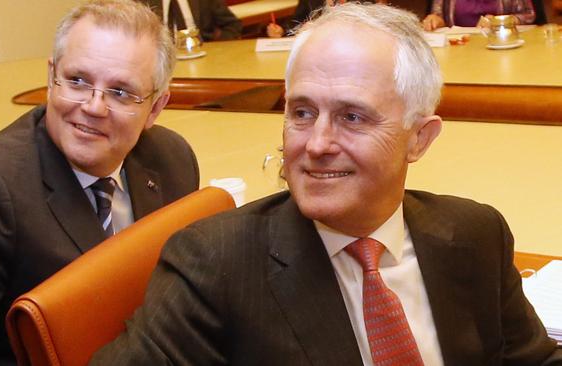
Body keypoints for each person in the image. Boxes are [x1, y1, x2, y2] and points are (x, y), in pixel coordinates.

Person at [91, 3, 562, 365]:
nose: (315, 144)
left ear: (419, 138)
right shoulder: (214, 266)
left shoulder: (475, 234)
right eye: (301, 113)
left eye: (352, 117)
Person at [0, 0, 199, 365]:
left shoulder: (172, 160)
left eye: (121, 92)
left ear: (155, 108)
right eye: (78, 81)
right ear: (51, 78)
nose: (94, 107)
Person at [143, 0, 242, 41]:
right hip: (161, 65)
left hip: (203, 57)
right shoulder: (141, 3)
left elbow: (233, 25)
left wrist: (218, 48)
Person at [423, 0, 535, 30]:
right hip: (460, 49)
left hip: (501, 46)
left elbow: (529, 15)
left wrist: (500, 21)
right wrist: (436, 20)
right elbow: (439, 16)